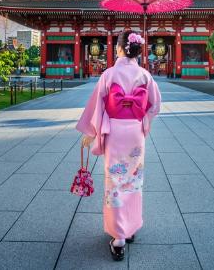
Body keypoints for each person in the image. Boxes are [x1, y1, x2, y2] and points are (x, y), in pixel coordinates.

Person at [76, 30, 162, 261]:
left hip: (114, 131)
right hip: (134, 132)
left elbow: (97, 106)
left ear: (120, 49)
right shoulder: (145, 75)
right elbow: (155, 105)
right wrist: (142, 120)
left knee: (114, 181)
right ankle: (130, 226)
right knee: (133, 179)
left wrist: (91, 132)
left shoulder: (109, 74)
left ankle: (119, 238)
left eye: (116, 46)